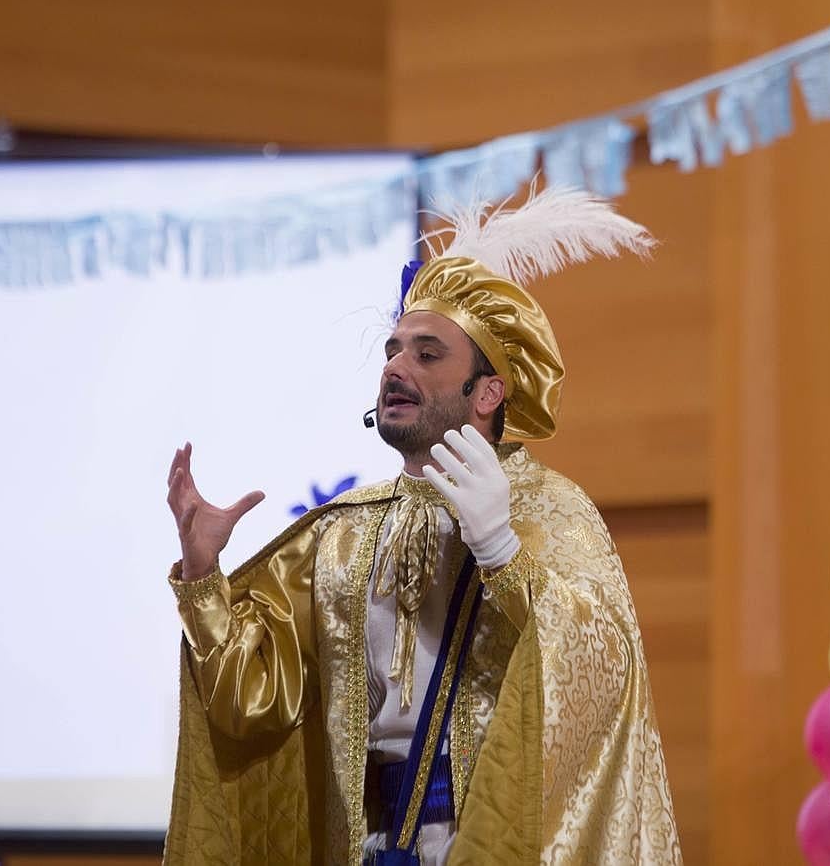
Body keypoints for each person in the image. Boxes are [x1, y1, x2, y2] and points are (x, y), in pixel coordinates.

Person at [161, 187, 682, 865]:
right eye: (392, 349)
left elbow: (603, 672)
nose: (395, 368)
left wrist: (503, 552)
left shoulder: (552, 511)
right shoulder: (340, 535)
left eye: (428, 354)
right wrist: (203, 578)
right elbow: (248, 707)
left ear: (489, 392)